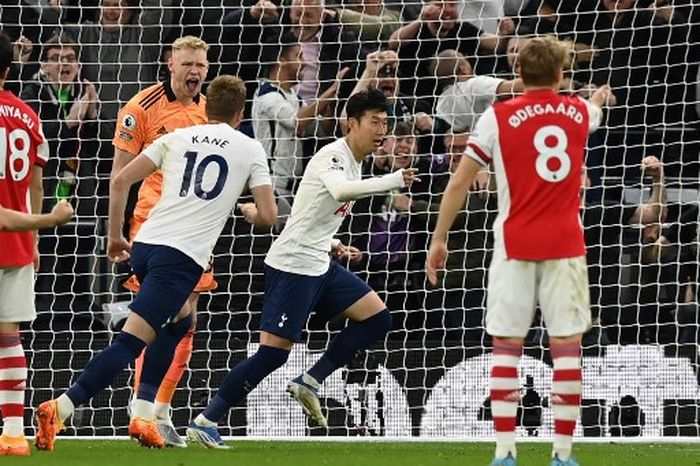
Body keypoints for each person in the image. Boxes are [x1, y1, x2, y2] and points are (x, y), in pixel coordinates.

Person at [34, 74, 277, 451]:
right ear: (240, 112)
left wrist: (115, 237)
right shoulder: (250, 148)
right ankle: (61, 407)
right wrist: (244, 209)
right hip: (178, 258)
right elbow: (268, 214)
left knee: (181, 320)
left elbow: (119, 181)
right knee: (131, 342)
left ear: (206, 108)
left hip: (146, 244)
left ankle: (145, 412)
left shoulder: (175, 136)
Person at [185, 89, 419, 448]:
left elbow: (307, 213)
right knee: (273, 355)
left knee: (378, 318)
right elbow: (341, 192)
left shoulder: (356, 161)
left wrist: (331, 243)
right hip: (293, 265)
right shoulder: (333, 156)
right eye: (374, 122)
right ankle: (206, 419)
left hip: (319, 262)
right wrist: (394, 180)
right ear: (351, 123)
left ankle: (310, 380)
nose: (381, 130)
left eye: (385, 123)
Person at [425, 36, 613, 466]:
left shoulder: (497, 116)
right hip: (566, 244)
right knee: (566, 346)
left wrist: (438, 238)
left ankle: (505, 451)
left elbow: (458, 181)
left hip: (514, 245)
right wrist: (599, 94)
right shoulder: (580, 112)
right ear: (561, 75)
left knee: (507, 346)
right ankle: (563, 454)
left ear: (519, 76)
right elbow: (597, 106)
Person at [110, 35, 210, 447]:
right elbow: (120, 176)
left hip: (197, 228)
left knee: (187, 320)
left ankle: (159, 411)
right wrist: (116, 234)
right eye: (187, 64)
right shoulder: (140, 109)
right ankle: (144, 410)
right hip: (153, 224)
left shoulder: (210, 111)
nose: (194, 72)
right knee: (163, 318)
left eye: (201, 66)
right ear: (170, 63)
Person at [0, 32, 73, 457]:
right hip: (17, 245)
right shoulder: (29, 117)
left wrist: (39, 224)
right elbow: (36, 183)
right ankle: (12, 432)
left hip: (16, 228)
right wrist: (36, 235)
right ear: (10, 69)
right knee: (8, 336)